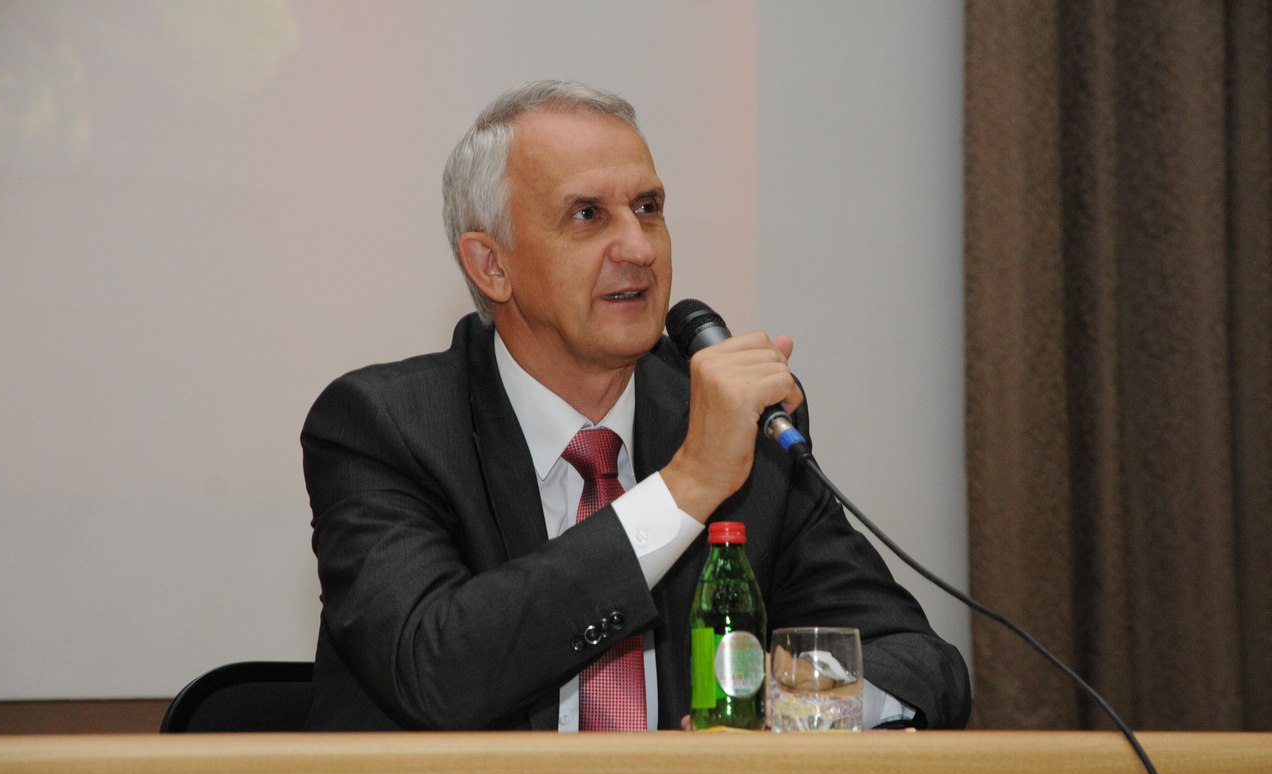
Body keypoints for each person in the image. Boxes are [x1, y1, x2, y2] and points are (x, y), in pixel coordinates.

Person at [300, 80, 971, 732]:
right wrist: (686, 488)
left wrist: (794, 712)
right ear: (491, 266)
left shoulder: (738, 427)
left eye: (648, 208)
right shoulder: (384, 427)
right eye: (587, 215)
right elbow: (435, 668)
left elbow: (916, 661)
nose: (640, 249)